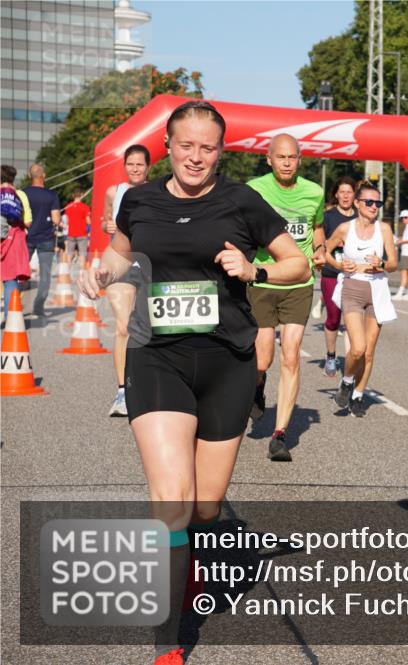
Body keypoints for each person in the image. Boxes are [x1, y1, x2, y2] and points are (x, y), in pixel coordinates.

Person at [78, 100, 308, 663]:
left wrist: (254, 269)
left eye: (208, 148)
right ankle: (167, 644)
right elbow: (120, 251)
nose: (196, 157)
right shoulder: (141, 199)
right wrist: (103, 270)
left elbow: (297, 264)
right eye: (186, 145)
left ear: (220, 152)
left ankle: (191, 568)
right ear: (169, 146)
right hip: (158, 356)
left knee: (205, 509)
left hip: (227, 360)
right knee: (172, 499)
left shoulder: (242, 202)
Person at [246, 133, 326, 462]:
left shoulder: (315, 192)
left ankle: (280, 435)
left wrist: (319, 251)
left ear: (299, 159)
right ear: (269, 159)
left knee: (291, 356)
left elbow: (316, 228)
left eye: (292, 157)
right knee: (261, 360)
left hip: (298, 282)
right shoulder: (254, 189)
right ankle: (257, 385)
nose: (287, 163)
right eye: (281, 157)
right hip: (264, 280)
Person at [326, 180, 398, 417]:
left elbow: (394, 264)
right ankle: (347, 381)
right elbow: (324, 251)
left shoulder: (384, 229)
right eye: (369, 202)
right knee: (357, 347)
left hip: (377, 291)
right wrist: (338, 264)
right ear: (357, 204)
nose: (374, 206)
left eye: (377, 202)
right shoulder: (345, 229)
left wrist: (382, 264)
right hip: (352, 288)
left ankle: (358, 394)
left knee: (369, 352)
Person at [103, 144, 151, 417]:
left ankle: (145, 383)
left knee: (145, 329)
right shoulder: (115, 192)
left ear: (148, 167)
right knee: (123, 326)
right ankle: (122, 391)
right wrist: (107, 225)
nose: (135, 169)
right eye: (131, 164)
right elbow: (104, 222)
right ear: (125, 166)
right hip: (121, 265)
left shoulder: (158, 191)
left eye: (140, 165)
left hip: (147, 264)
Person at [319, 175, 356, 378]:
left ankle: (350, 363)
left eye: (349, 192)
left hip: (355, 274)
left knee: (352, 321)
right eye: (342, 192)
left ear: (354, 196)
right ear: (336, 194)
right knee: (333, 318)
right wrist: (334, 242)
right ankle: (331, 355)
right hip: (332, 272)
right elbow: (320, 242)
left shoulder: (360, 216)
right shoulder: (329, 216)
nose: (345, 196)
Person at [23, 163, 61, 322]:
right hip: (46, 238)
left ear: (29, 176)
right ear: (43, 175)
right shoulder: (52, 195)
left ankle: (15, 304)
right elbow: (56, 219)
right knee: (45, 275)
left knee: (20, 272)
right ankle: (38, 307)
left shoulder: (22, 194)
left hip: (25, 238)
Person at [1, 165, 33, 321]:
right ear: (13, 178)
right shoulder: (20, 195)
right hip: (12, 240)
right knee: (10, 279)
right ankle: (10, 317)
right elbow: (28, 222)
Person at [393, 209, 408, 300]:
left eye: (405, 217)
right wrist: (401, 240)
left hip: (407, 253)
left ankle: (400, 292)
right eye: (402, 218)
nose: (403, 219)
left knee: (404, 273)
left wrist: (401, 241)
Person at [62, 187, 90, 264]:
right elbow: (88, 221)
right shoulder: (85, 207)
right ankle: (81, 273)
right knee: (82, 254)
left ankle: (67, 271)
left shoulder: (68, 206)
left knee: (69, 254)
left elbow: (67, 221)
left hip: (71, 233)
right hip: (82, 233)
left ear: (72, 195)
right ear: (81, 195)